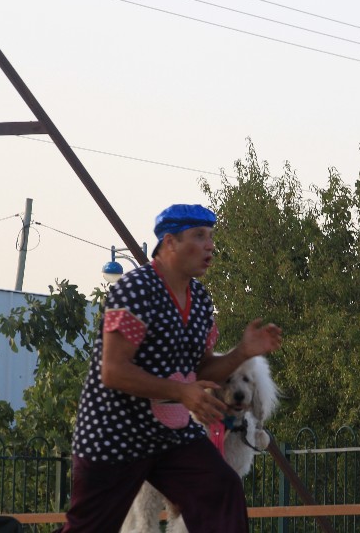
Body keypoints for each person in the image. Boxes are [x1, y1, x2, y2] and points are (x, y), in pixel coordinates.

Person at [55, 204, 282, 533]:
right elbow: (113, 371)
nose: (210, 245)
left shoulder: (200, 300)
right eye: (199, 236)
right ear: (170, 243)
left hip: (171, 434)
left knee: (221, 489)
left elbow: (203, 367)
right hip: (115, 433)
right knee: (90, 528)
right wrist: (180, 392)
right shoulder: (135, 290)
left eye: (211, 237)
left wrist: (242, 352)